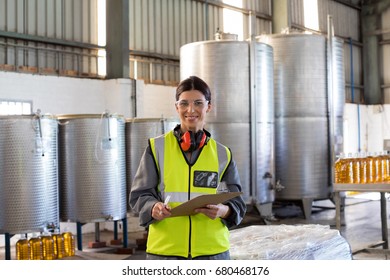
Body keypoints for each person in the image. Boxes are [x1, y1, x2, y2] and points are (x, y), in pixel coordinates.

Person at [129, 75, 246, 260]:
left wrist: (224, 210)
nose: (190, 110)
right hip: (165, 253)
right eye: (184, 103)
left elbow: (238, 203)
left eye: (198, 103)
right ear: (176, 107)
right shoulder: (156, 148)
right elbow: (139, 196)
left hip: (212, 253)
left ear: (209, 106)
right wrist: (153, 207)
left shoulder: (223, 154)